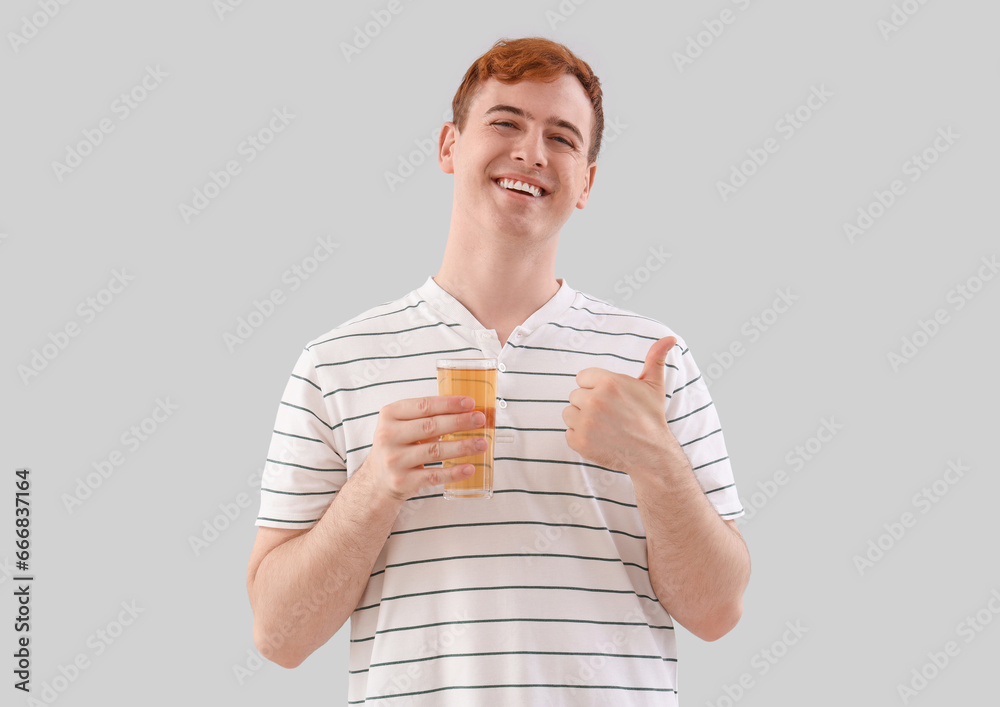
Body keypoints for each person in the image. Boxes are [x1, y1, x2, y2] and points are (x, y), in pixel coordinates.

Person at [246, 36, 750, 705]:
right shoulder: (333, 364)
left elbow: (717, 613)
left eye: (563, 137)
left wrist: (655, 459)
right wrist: (375, 486)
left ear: (588, 183)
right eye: (506, 122)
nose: (532, 153)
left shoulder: (655, 361)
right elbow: (279, 636)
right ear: (449, 147)